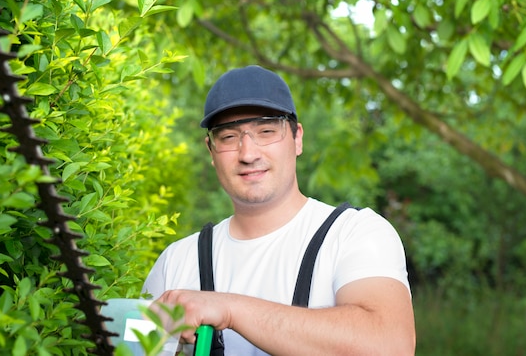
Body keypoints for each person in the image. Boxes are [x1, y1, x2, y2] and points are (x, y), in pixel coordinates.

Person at [142, 65, 416, 355]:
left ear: (297, 138)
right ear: (211, 150)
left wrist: (228, 308)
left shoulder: (355, 234)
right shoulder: (174, 263)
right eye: (228, 137)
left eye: (266, 131)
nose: (248, 154)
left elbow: (390, 345)